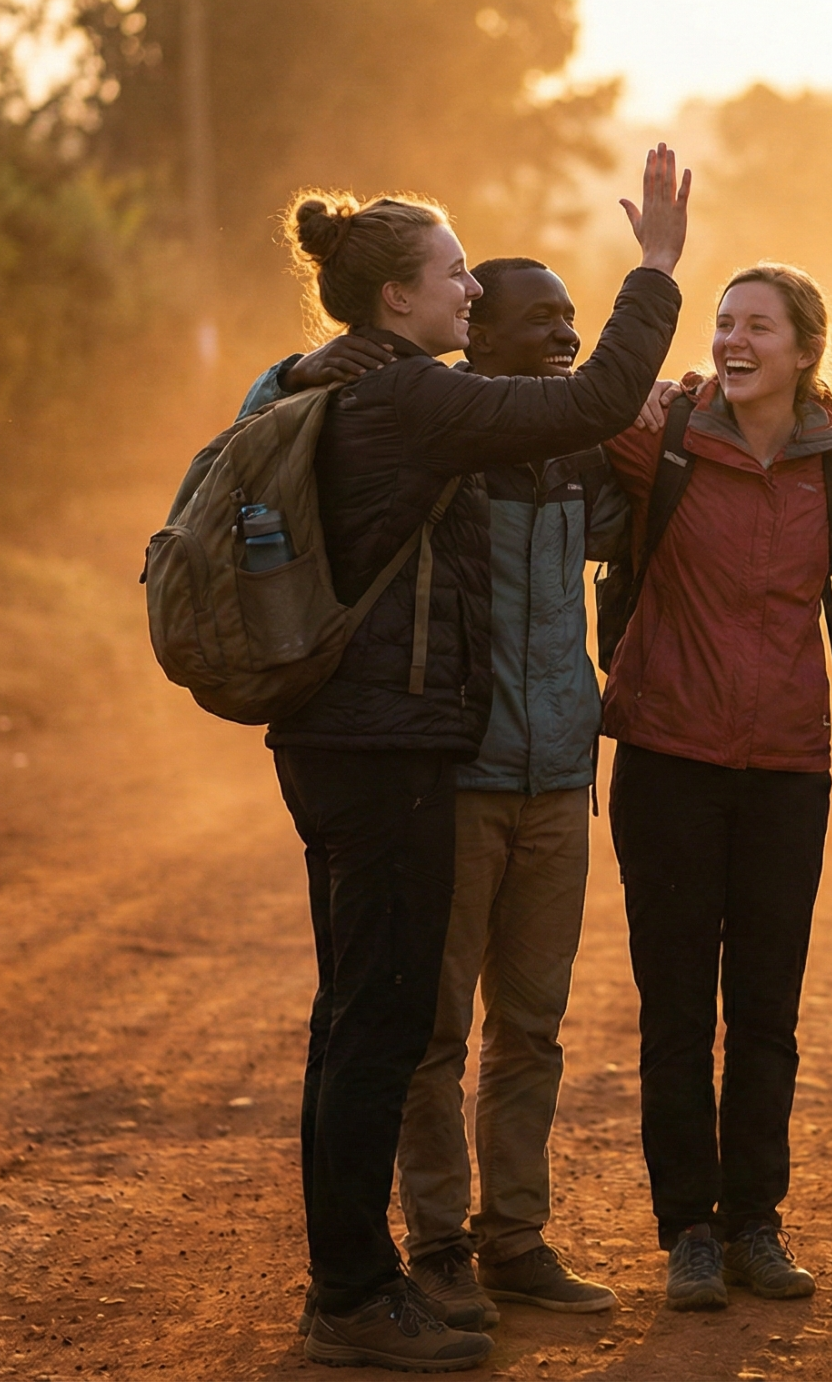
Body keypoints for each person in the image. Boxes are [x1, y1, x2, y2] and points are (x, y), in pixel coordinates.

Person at [260, 148, 687, 1374]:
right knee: (394, 1027)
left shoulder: (370, 393)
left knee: (411, 1024)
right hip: (410, 758)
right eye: (455, 274)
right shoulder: (420, 407)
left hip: (449, 758)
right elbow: (595, 397)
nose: (466, 291)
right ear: (404, 302)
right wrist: (653, 270)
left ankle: (435, 1259)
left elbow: (607, 445)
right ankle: (382, 1275)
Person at [598, 263, 832, 1311]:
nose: (734, 339)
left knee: (766, 1011)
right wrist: (634, 370)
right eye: (724, 323)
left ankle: (755, 1224)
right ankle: (688, 1227)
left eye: (757, 326)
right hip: (665, 756)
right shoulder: (666, 438)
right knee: (677, 1008)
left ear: (806, 351)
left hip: (786, 765)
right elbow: (576, 413)